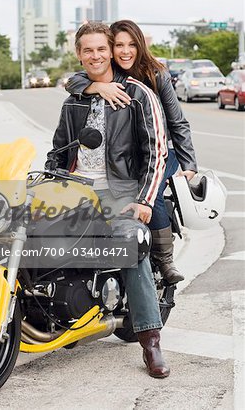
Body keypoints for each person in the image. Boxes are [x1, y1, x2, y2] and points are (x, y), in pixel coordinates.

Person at [47, 22, 170, 378]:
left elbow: (156, 151)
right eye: (88, 50)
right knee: (36, 237)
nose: (96, 56)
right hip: (77, 189)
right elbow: (58, 148)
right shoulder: (75, 96)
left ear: (111, 51)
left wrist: (146, 199)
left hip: (121, 191)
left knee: (129, 248)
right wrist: (49, 180)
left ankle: (150, 340)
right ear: (79, 55)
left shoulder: (137, 94)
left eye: (102, 49)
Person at [66, 20, 198, 284]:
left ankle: (164, 259)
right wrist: (97, 87)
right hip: (124, 151)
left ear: (140, 46)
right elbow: (74, 81)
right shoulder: (108, 73)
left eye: (132, 45)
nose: (125, 51)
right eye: (119, 45)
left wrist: (189, 163)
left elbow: (177, 121)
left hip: (159, 149)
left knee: (152, 192)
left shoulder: (156, 74)